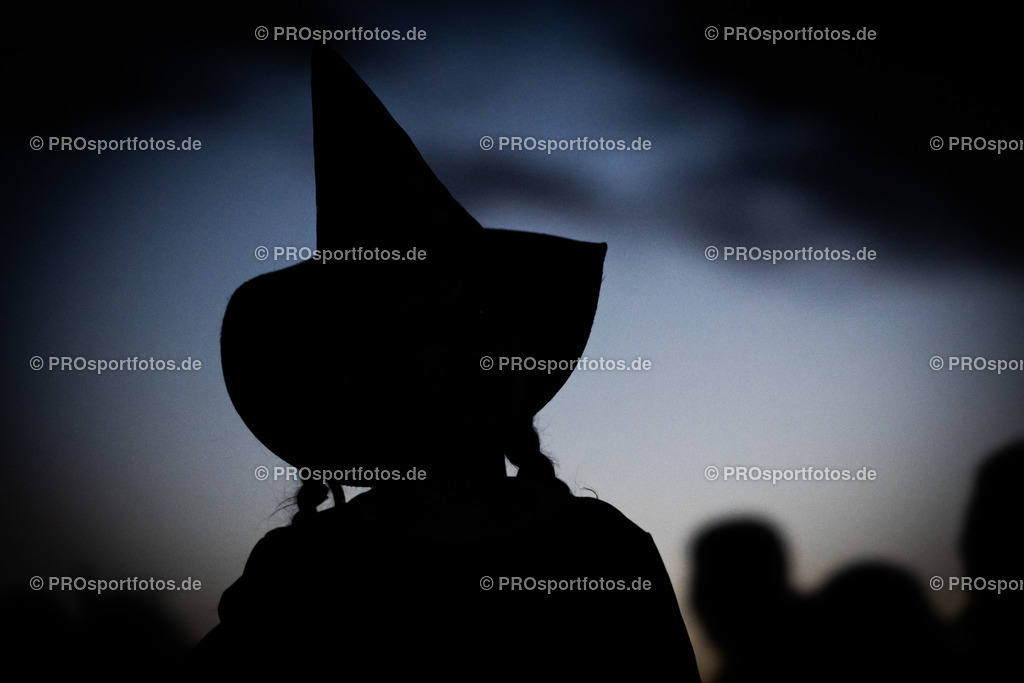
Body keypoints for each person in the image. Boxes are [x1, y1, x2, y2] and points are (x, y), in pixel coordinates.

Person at [194, 47, 702, 679]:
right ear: (354, 376)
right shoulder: (299, 574)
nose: (436, 357)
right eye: (395, 335)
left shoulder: (602, 552)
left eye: (458, 325)